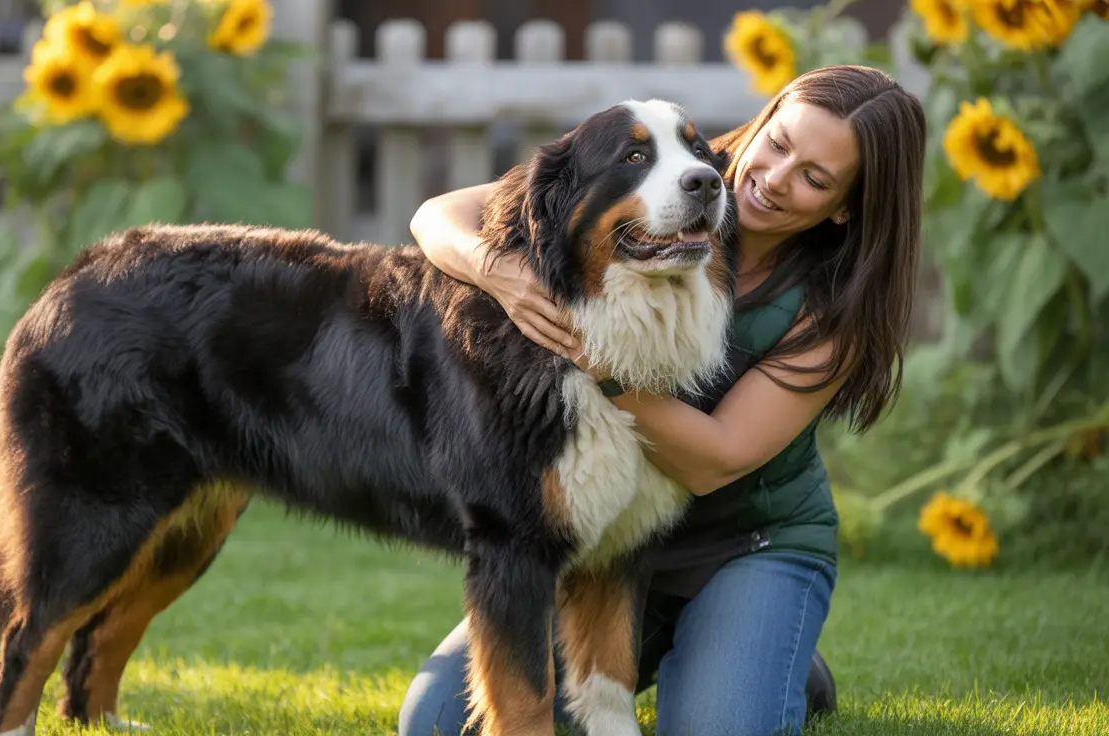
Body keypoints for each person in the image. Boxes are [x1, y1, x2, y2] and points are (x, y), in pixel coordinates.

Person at [397, 65, 927, 736]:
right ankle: (726, 652)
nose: (773, 177)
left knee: (720, 726)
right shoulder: (682, 169)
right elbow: (436, 214)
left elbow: (715, 459)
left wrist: (594, 360)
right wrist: (499, 273)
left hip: (742, 544)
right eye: (779, 142)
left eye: (815, 179)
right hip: (607, 539)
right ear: (763, 120)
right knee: (439, 725)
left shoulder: (836, 311)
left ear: (846, 205)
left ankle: (763, 644)